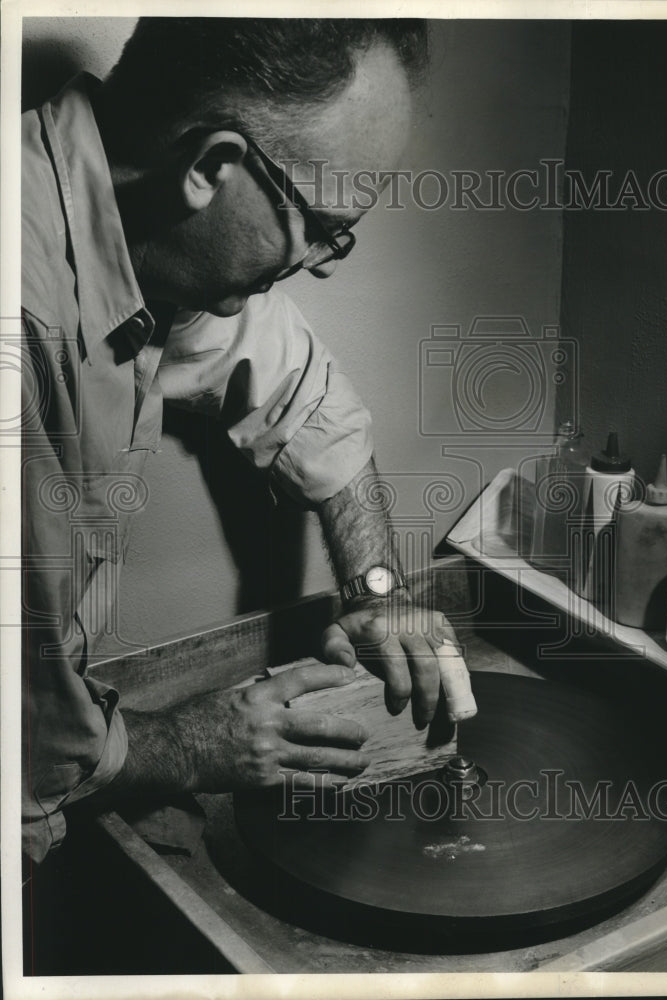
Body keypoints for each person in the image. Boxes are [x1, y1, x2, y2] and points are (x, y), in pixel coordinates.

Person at [21, 17, 463, 871]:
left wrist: (377, 593)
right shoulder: (19, 314)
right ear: (211, 167)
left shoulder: (144, 238)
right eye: (322, 223)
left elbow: (309, 401)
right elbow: (22, 743)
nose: (322, 256)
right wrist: (193, 744)